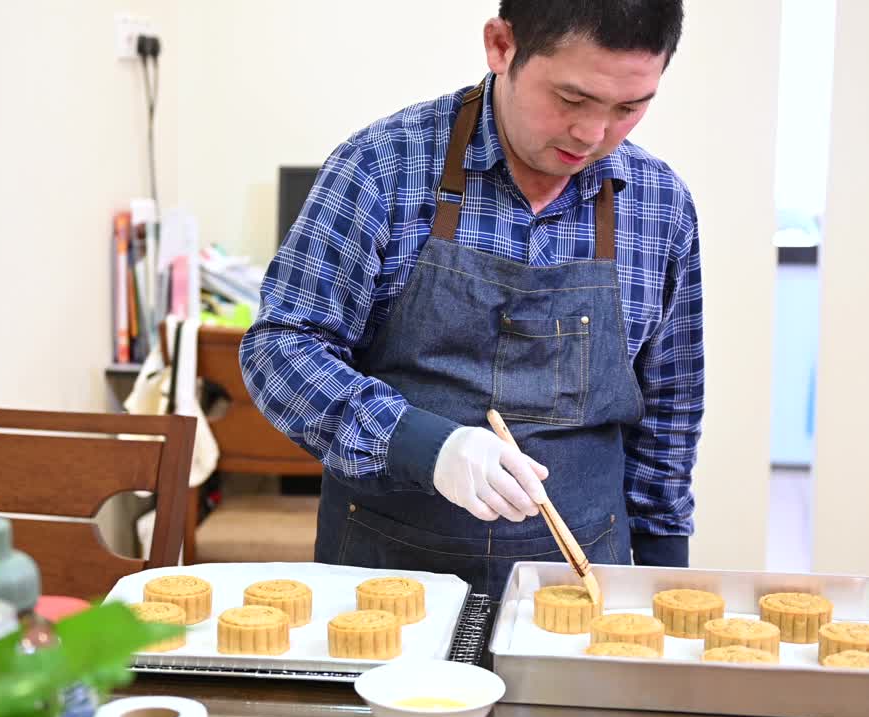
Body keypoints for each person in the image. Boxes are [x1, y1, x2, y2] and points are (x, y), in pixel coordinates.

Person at [240, 0, 702, 598]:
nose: (593, 135)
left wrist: (667, 585)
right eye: (571, 99)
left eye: (629, 108)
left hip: (580, 583)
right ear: (501, 45)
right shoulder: (383, 168)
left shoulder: (659, 206)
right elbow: (281, 348)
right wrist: (423, 446)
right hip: (385, 576)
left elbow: (670, 418)